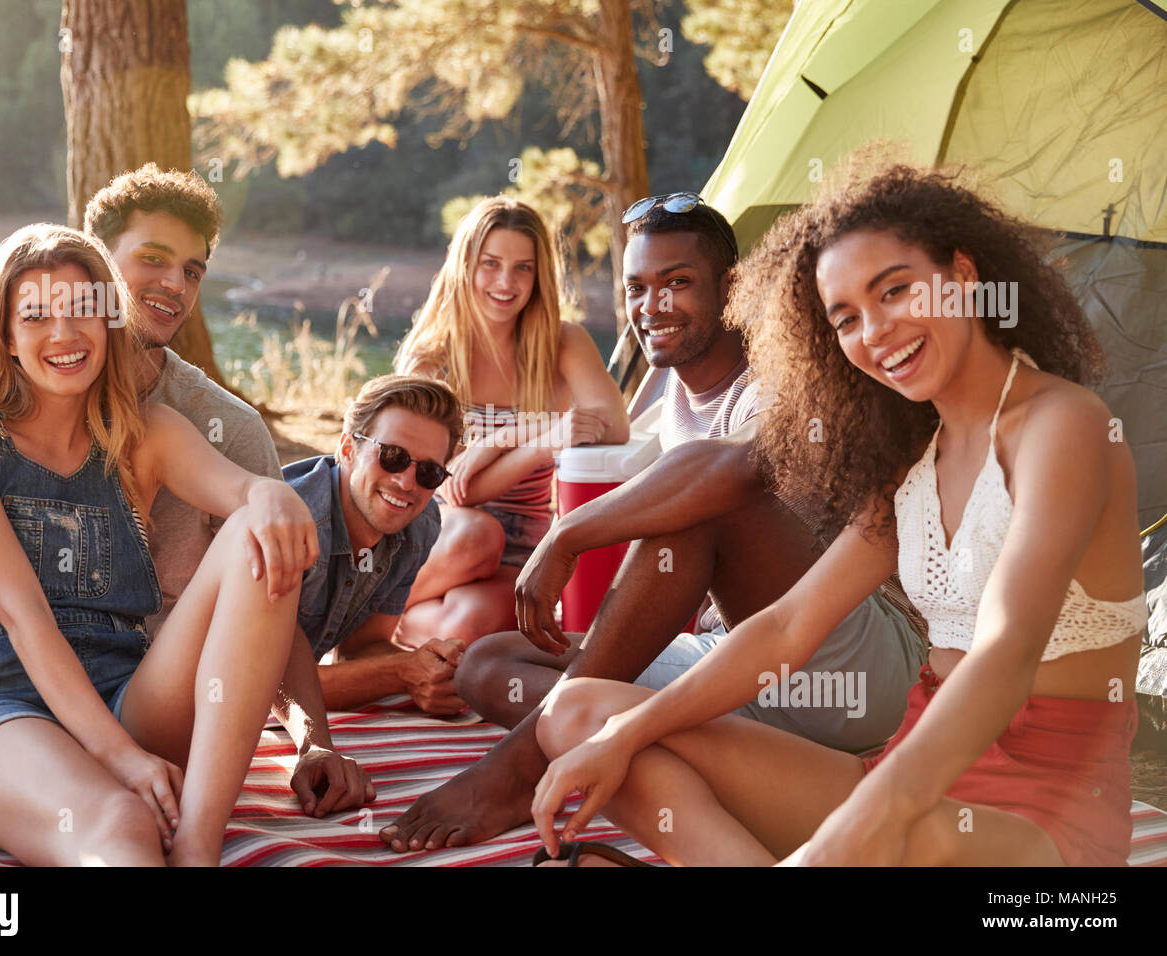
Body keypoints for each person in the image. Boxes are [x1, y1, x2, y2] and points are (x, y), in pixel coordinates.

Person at [531, 164, 1146, 867]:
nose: (876, 332)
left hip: (1039, 827)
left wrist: (841, 842)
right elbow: (788, 628)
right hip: (903, 783)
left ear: (965, 274)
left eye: (895, 290)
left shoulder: (1065, 424)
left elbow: (1006, 654)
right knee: (576, 717)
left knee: (929, 837)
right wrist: (626, 734)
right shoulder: (913, 457)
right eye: (846, 318)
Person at [380, 193, 927, 853]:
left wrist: (566, 535)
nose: (652, 307)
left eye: (677, 284)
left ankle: (517, 771)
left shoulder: (780, 375)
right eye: (637, 287)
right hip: (732, 663)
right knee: (491, 663)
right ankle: (665, 758)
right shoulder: (665, 386)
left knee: (701, 503)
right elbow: (618, 462)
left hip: (844, 664)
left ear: (732, 289)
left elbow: (734, 472)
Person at [0, 163, 281, 800]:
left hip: (126, 670)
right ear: (101, 265)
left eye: (192, 270)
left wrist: (315, 738)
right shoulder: (8, 355)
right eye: (152, 258)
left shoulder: (210, 425)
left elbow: (270, 601)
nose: (173, 282)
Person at [0, 223, 317, 866]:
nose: (64, 334)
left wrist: (269, 495)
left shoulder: (146, 433)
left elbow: (246, 494)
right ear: (7, 337)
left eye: (82, 310)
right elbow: (23, 618)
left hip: (126, 689)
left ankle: (196, 845)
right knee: (118, 823)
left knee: (254, 530)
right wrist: (124, 760)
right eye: (36, 315)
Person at [391, 197, 628, 650]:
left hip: (520, 551)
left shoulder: (564, 343)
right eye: (491, 264)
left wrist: (504, 440)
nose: (506, 282)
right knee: (478, 534)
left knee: (468, 631)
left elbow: (613, 425)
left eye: (523, 267)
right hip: (441, 541)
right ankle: (371, 613)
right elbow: (452, 486)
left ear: (540, 275)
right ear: (465, 266)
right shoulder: (432, 360)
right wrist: (536, 440)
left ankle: (390, 626)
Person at [271, 375, 468, 815]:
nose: (406, 482)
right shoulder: (293, 522)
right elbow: (264, 681)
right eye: (392, 456)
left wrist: (429, 665)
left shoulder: (420, 526)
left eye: (429, 471)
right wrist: (401, 672)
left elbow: (361, 648)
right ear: (346, 448)